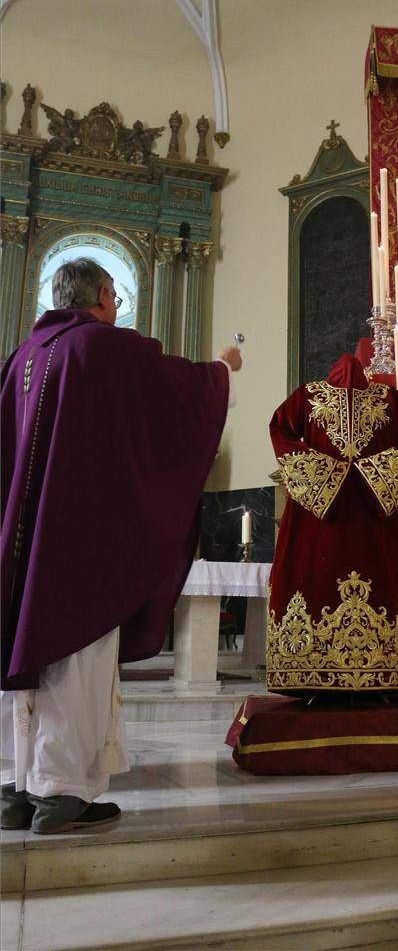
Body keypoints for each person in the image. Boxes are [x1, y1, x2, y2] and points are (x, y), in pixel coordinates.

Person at [0, 257, 241, 833]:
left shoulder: (23, 358)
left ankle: (17, 786)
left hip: (23, 539)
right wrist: (224, 371)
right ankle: (61, 792)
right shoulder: (103, 347)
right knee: (76, 660)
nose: (116, 307)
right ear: (102, 297)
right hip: (83, 540)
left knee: (25, 653)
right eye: (114, 296)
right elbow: (176, 392)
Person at [266, 354, 398, 696]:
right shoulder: (390, 400)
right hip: (375, 521)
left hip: (322, 522)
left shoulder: (307, 396)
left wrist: (323, 480)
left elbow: (278, 430)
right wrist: (376, 480)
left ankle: (311, 674)